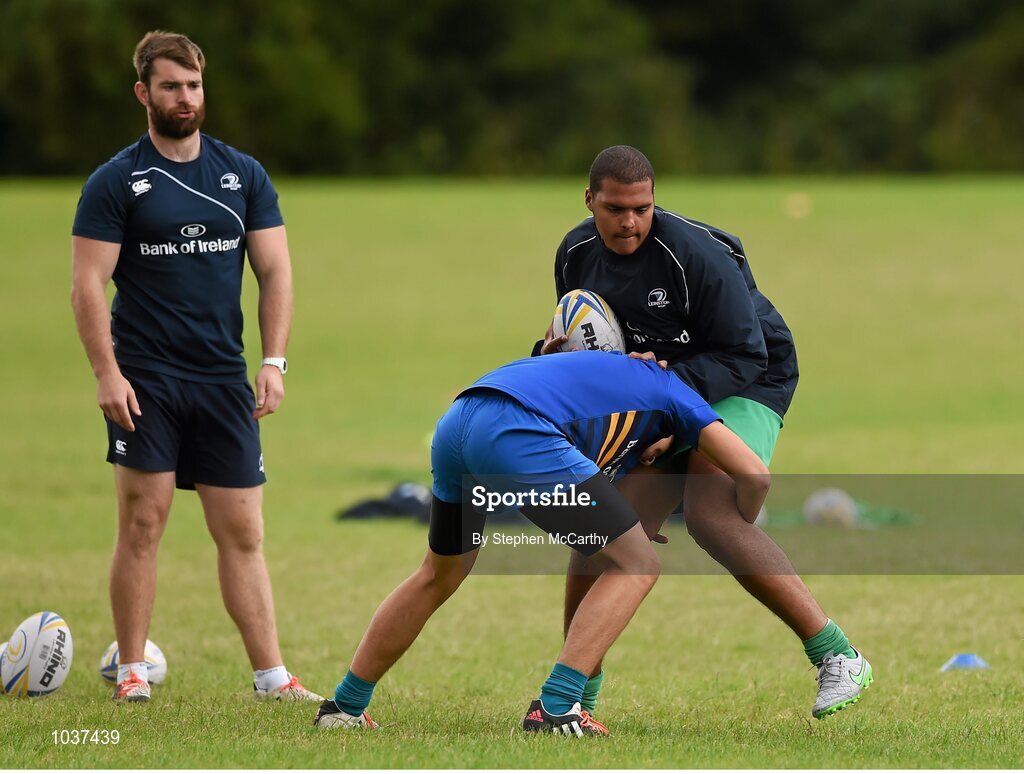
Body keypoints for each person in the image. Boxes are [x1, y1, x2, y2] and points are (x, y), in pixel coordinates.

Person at [541, 145, 872, 720]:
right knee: (601, 533)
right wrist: (548, 356)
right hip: (661, 388)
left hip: (747, 375)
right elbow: (588, 339)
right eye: (616, 208)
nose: (629, 222)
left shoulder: (692, 255)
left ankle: (837, 655)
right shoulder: (574, 253)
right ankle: (571, 699)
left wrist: (674, 409)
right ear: (589, 199)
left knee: (711, 515)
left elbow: (746, 352)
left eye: (641, 208)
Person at [313, 350, 770, 734]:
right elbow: (756, 476)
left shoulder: (606, 372)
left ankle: (344, 708)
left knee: (438, 574)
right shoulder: (678, 394)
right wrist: (736, 522)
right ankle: (557, 707)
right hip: (517, 432)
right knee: (638, 564)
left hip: (459, 420)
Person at [70, 30, 321, 703]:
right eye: (172, 86)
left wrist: (272, 362)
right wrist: (106, 372)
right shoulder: (116, 181)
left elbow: (275, 272)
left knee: (243, 532)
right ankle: (130, 672)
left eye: (194, 85)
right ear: (143, 93)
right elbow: (87, 284)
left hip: (221, 381)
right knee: (143, 524)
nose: (185, 98)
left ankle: (273, 678)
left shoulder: (243, 174)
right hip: (144, 378)